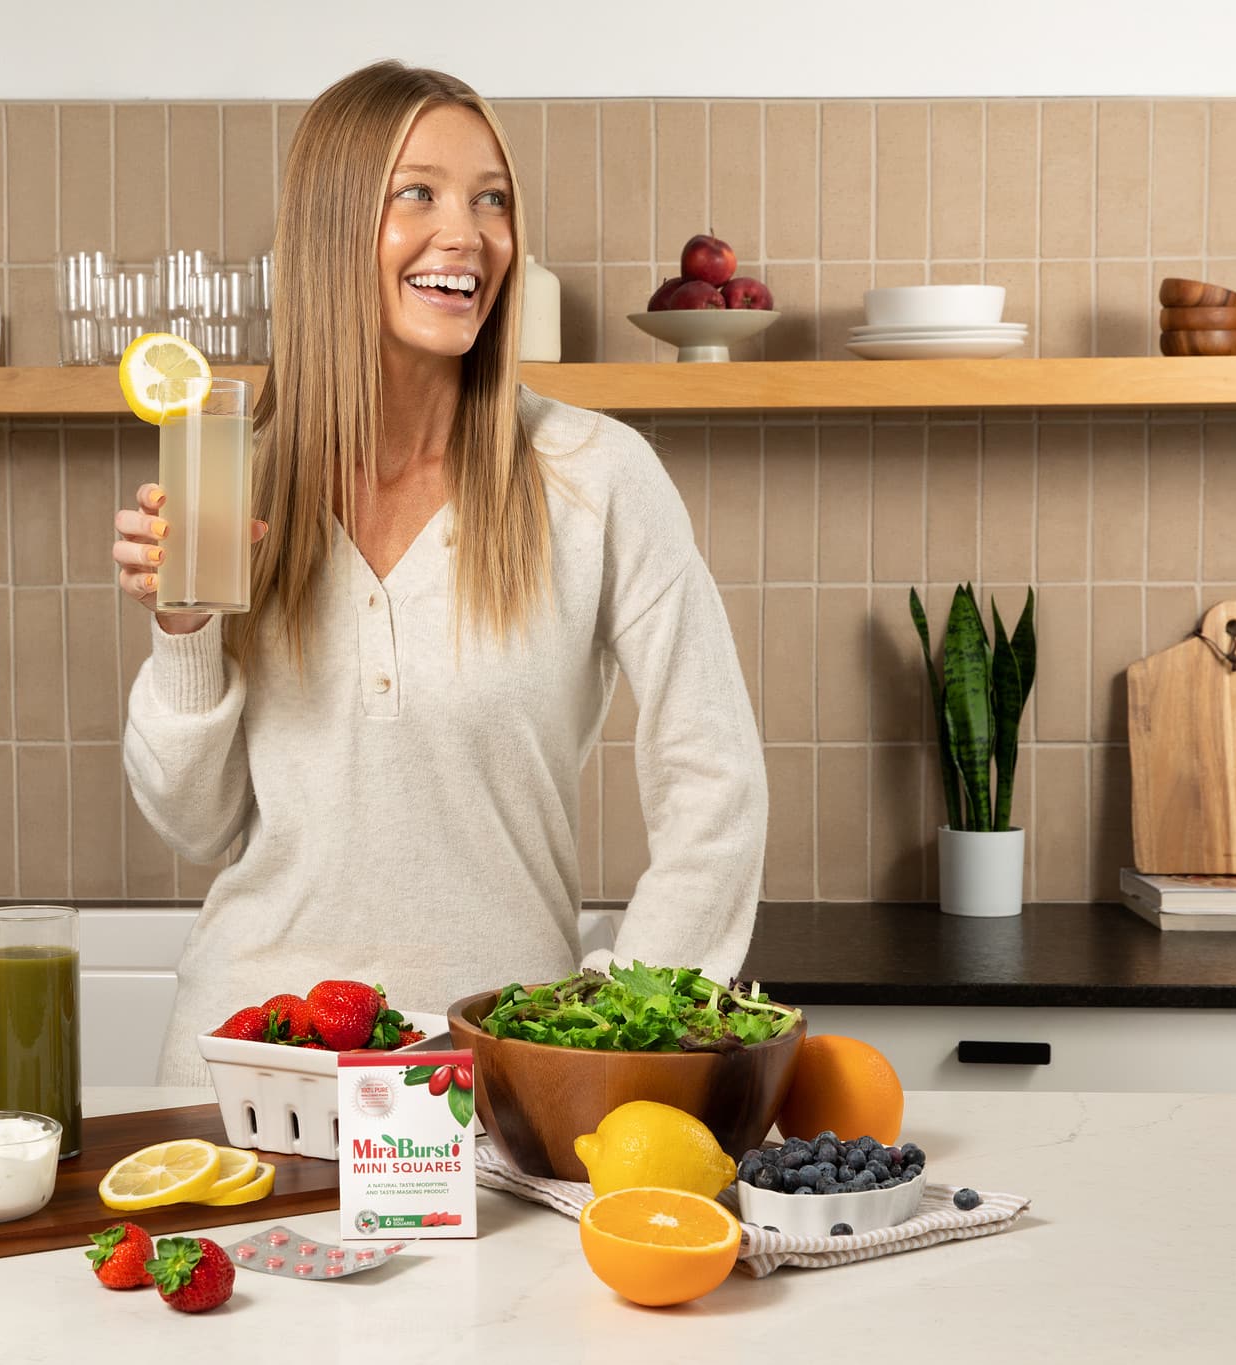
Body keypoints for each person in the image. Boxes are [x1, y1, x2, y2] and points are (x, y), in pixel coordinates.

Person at [112, 61, 767, 1084]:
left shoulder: (596, 476)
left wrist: (616, 1031)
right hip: (244, 1069)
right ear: (330, 228)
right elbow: (199, 826)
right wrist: (185, 631)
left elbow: (715, 781)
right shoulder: (233, 481)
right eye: (416, 192)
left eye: (490, 199)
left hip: (496, 1078)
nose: (466, 233)